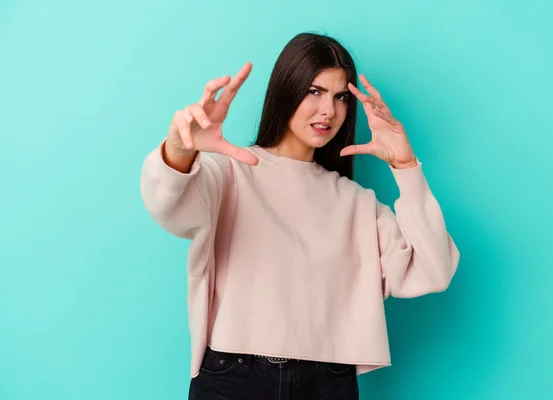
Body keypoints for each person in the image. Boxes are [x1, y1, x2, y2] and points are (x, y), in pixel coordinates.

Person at [140, 32, 460, 400]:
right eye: (314, 91)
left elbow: (435, 270)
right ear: (286, 90)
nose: (329, 110)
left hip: (326, 383)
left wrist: (406, 166)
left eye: (340, 96)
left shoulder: (356, 203)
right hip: (233, 378)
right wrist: (179, 148)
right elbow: (167, 204)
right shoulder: (230, 173)